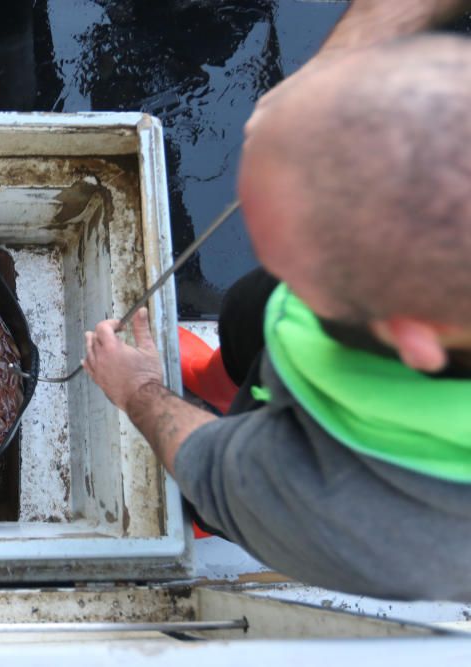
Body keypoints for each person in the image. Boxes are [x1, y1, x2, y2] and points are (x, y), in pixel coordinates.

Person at [83, 9, 471, 599]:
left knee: (208, 494)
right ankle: (217, 374)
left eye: (297, 261)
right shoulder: (413, 287)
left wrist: (140, 390)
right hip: (326, 343)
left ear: (411, 336)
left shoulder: (358, 511)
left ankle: (213, 410)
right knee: (248, 312)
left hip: (271, 474)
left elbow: (215, 469)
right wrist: (325, 82)